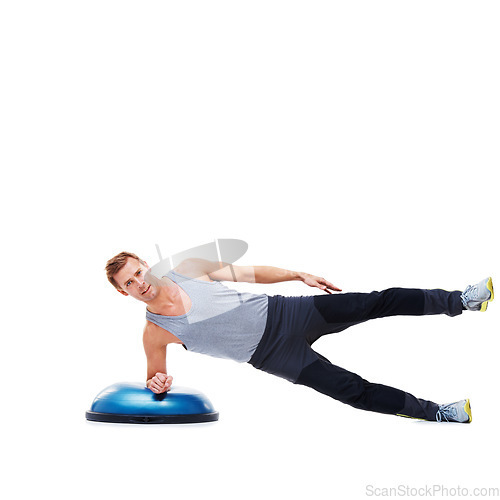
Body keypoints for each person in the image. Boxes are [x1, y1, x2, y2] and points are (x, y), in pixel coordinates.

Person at [105, 251, 494, 423]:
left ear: (145, 264)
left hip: (286, 311)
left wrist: (297, 274)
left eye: (138, 272)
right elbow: (155, 381)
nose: (139, 283)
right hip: (274, 357)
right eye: (129, 283)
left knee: (377, 302)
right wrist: (158, 385)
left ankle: (461, 301)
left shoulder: (187, 269)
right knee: (351, 392)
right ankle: (438, 413)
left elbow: (247, 273)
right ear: (123, 293)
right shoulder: (155, 332)